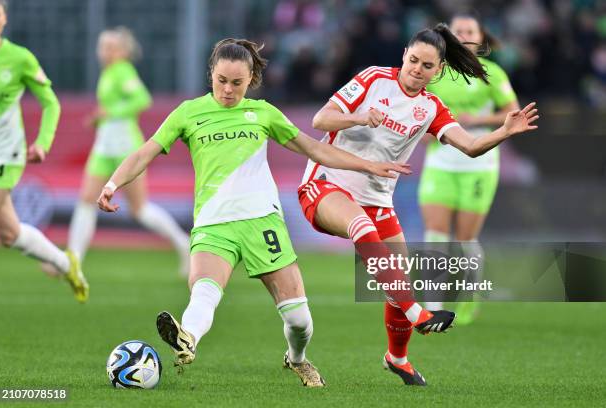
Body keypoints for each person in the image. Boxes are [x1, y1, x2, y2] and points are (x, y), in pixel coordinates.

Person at [97, 38, 408, 387]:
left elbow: (316, 150)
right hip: (214, 223)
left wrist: (368, 165)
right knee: (204, 291)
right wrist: (112, 184)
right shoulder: (188, 112)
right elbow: (144, 153)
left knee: (299, 320)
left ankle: (297, 358)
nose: (227, 90)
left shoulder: (264, 114)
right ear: (211, 75)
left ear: (251, 81)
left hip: (263, 223)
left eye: (237, 83)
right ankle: (188, 340)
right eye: (221, 80)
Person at [300, 23, 538, 385]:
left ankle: (397, 358)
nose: (417, 69)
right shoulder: (372, 79)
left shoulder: (431, 107)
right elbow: (321, 119)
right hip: (326, 184)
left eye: (427, 66)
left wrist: (504, 131)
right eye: (413, 60)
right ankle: (418, 313)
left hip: (377, 200)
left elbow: (470, 147)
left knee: (399, 278)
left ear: (438, 70)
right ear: (404, 56)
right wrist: (359, 116)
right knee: (363, 232)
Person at [63, 27, 190, 275]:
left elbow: (142, 100)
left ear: (123, 51)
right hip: (104, 144)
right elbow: (115, 106)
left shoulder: (123, 71)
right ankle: (73, 260)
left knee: (139, 209)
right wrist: (100, 119)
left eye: (110, 47)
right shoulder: (109, 72)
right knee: (86, 200)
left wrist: (110, 113)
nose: (104, 52)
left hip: (125, 146)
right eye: (103, 47)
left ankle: (183, 243)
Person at [419, 14, 520, 324]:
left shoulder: (492, 73)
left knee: (465, 240)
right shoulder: (435, 72)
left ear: (480, 37)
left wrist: (475, 121)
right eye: (457, 30)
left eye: (469, 31)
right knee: (435, 235)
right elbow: (419, 107)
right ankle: (432, 306)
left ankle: (469, 297)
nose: (462, 35)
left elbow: (513, 113)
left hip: (479, 165)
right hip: (440, 162)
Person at [0, 0, 87, 301]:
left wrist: (43, 142)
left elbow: (50, 102)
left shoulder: (19, 58)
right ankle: (65, 264)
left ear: (5, 19)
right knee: (9, 234)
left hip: (5, 155)